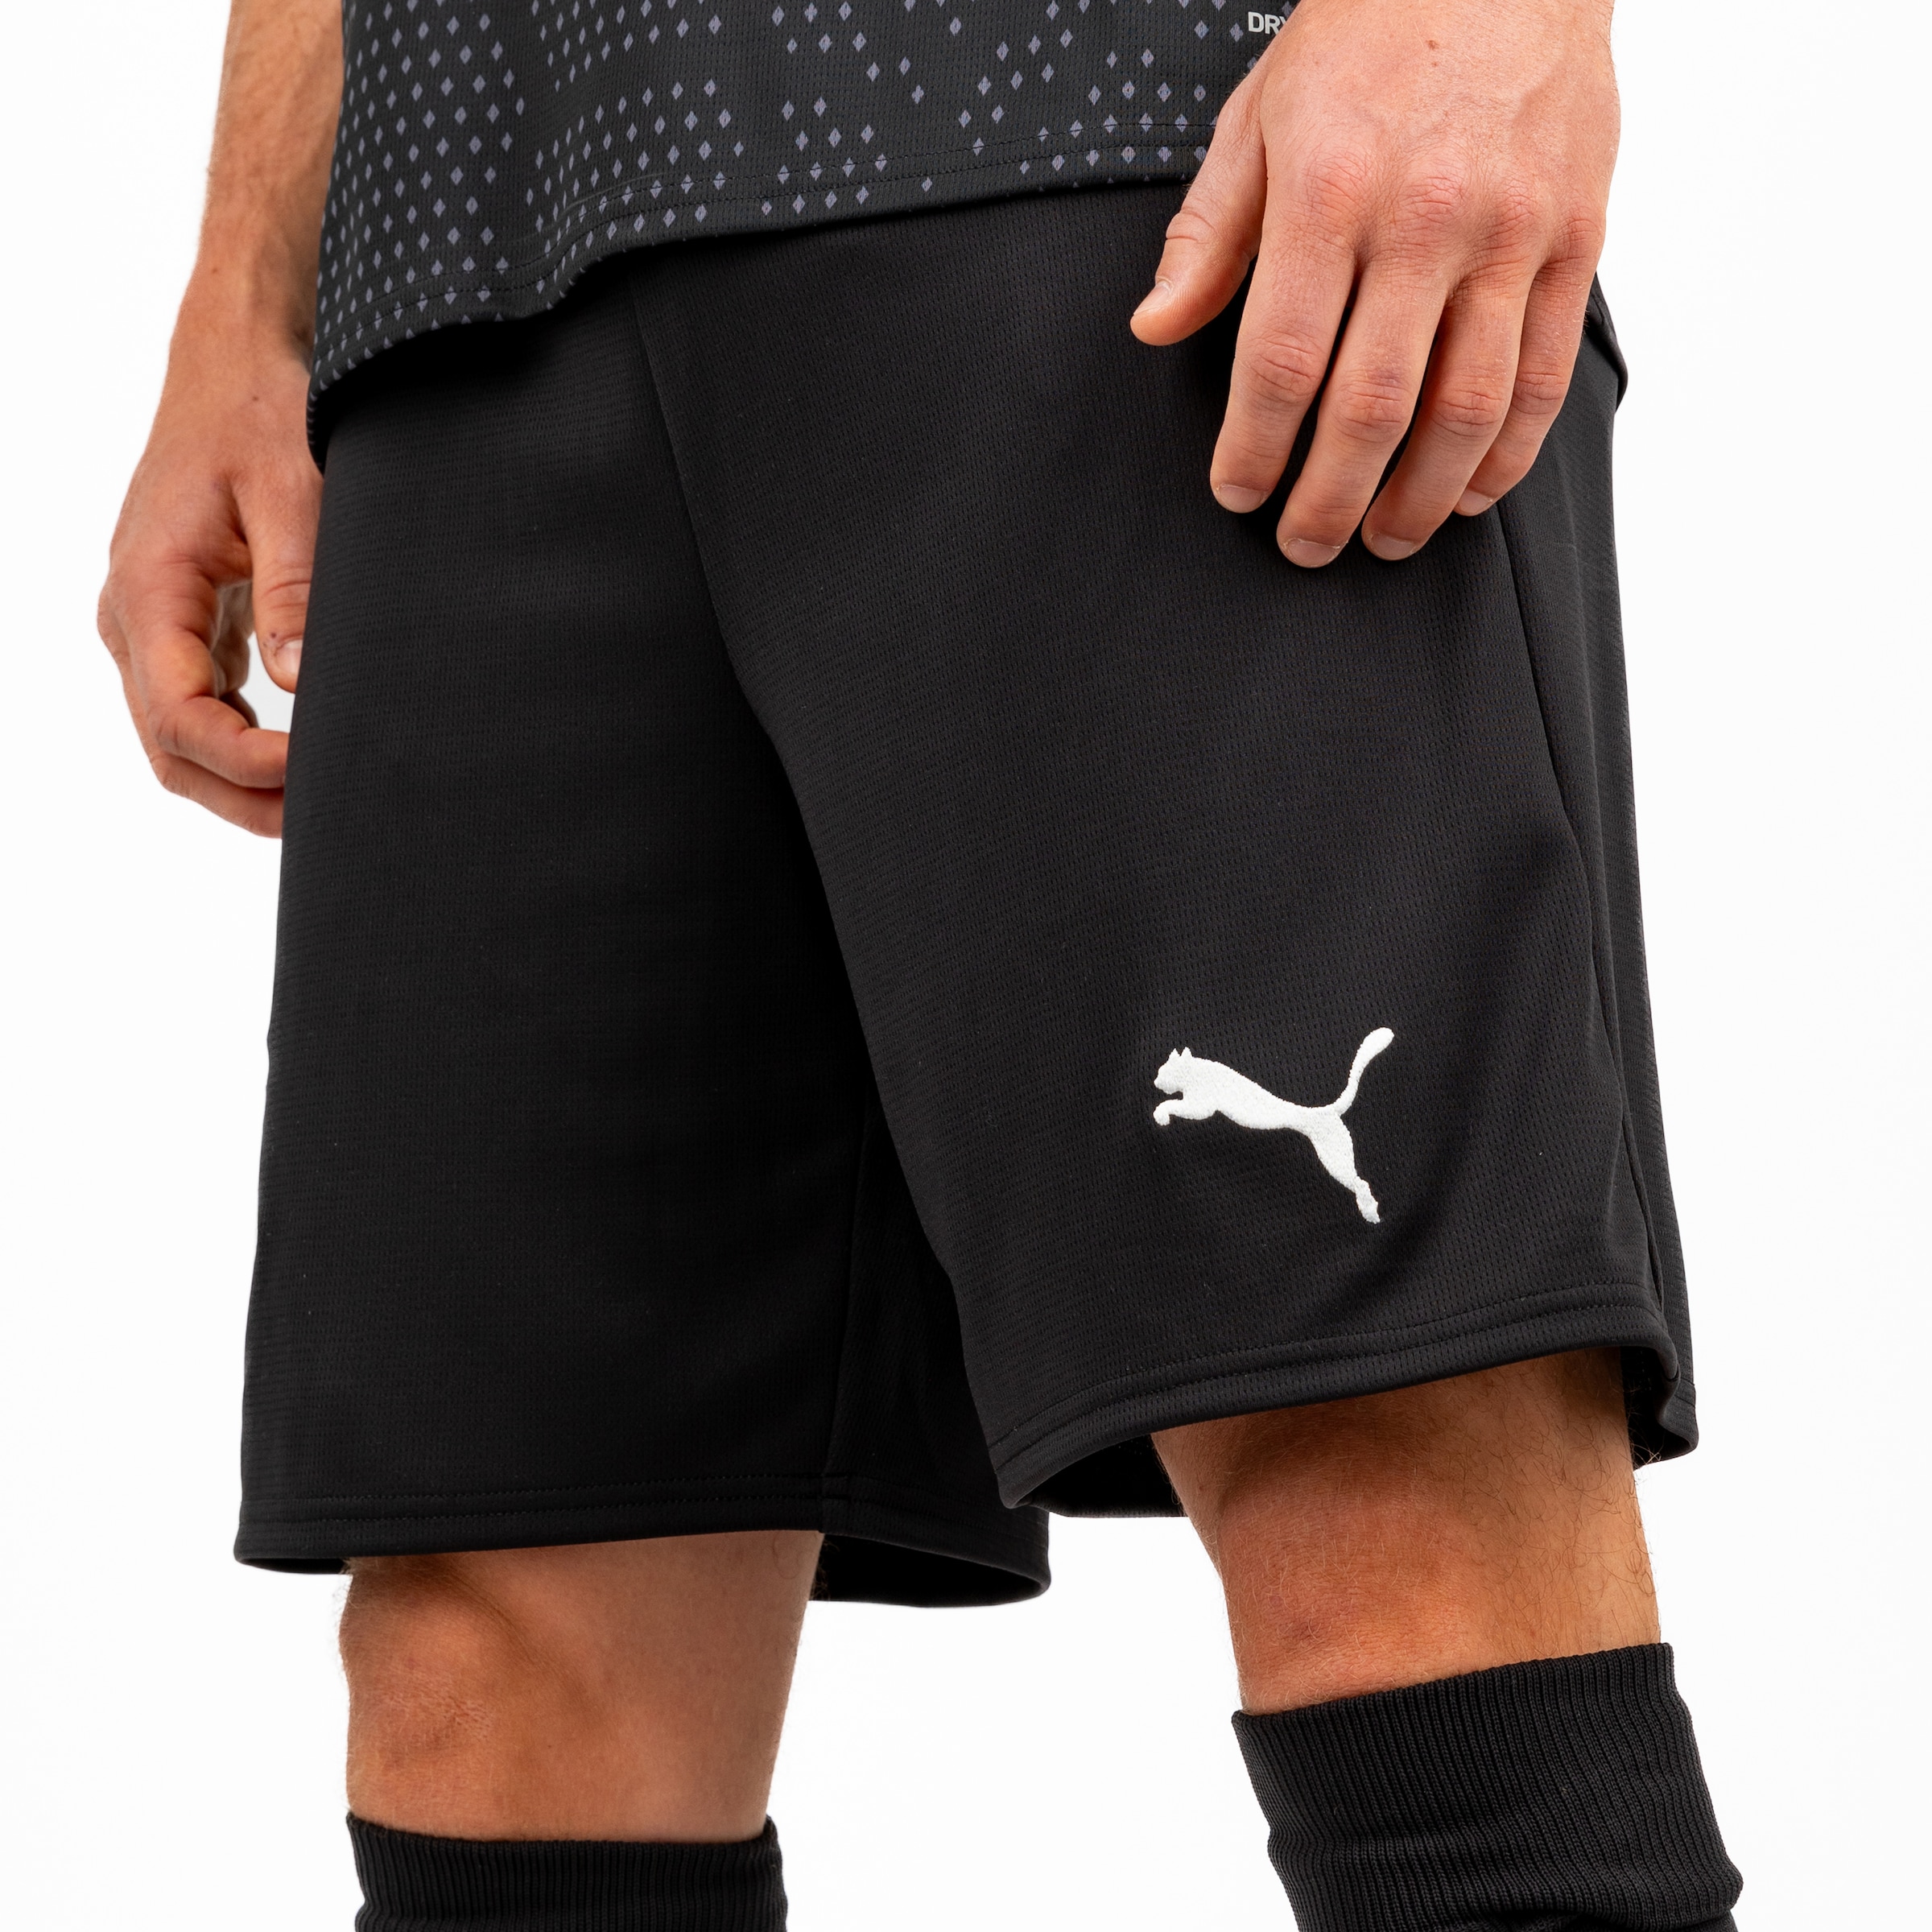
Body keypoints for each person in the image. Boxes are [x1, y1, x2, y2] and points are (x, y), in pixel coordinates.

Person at [97, 0, 1744, 1924]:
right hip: (468, 238)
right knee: (498, 1681)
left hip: (1132, 138)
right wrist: (250, 290)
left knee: (1383, 1499)